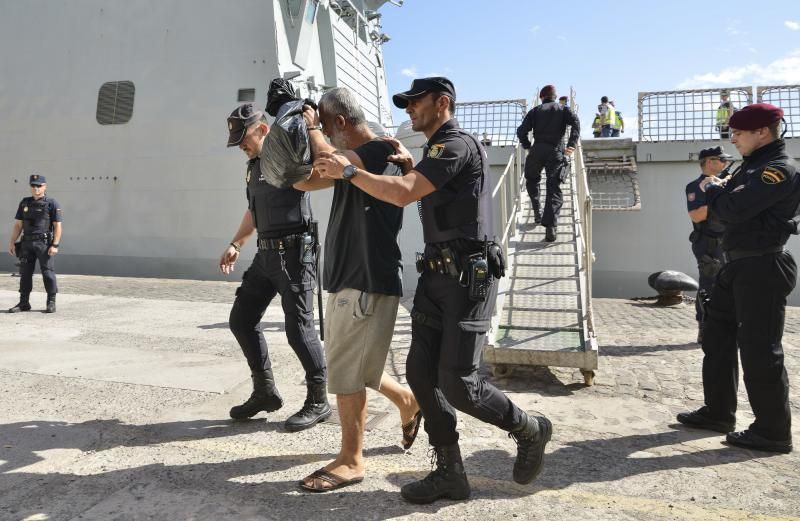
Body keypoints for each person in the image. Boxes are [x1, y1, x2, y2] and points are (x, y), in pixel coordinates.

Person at [313, 77, 552, 504]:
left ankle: (529, 428)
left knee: (460, 384)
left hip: (466, 280)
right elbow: (428, 196)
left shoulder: (455, 145)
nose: (409, 109)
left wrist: (351, 170)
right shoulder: (430, 153)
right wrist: (408, 167)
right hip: (436, 277)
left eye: (415, 102)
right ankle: (449, 474)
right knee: (422, 376)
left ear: (442, 103)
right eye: (404, 103)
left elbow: (405, 196)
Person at [294, 88, 421, 492]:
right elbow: (304, 183)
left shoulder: (380, 150)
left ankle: (351, 459)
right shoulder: (357, 160)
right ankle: (406, 400)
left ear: (341, 124)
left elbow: (328, 161)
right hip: (351, 277)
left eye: (329, 128)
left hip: (364, 279)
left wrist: (312, 128)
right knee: (357, 366)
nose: (326, 137)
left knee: (346, 374)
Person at [678, 103, 798, 454]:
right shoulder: (753, 166)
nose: (733, 140)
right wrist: (723, 195)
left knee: (761, 349)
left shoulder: (776, 170)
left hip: (763, 265)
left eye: (738, 133)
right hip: (736, 264)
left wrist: (716, 192)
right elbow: (725, 207)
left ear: (762, 132)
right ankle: (718, 412)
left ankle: (773, 432)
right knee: (716, 338)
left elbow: (729, 208)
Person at [220, 103, 330, 432]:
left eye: (244, 138)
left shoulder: (289, 155)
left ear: (263, 130)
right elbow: (254, 210)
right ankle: (265, 391)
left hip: (295, 253)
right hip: (266, 254)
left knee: (299, 329)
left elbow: (324, 176)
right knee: (241, 319)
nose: (241, 145)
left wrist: (313, 131)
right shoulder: (253, 166)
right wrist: (236, 243)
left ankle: (318, 399)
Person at [516, 84, 580, 242]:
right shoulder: (563, 109)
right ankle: (550, 229)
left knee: (532, 180)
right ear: (555, 96)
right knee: (553, 188)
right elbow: (576, 123)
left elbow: (521, 131)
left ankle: (537, 213)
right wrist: (571, 144)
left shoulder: (535, 111)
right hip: (555, 151)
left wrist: (527, 146)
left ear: (541, 98)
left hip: (537, 150)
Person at [685, 146, 731, 343]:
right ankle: (704, 326)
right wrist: (715, 193)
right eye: (722, 160)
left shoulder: (727, 181)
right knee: (709, 285)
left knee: (732, 284)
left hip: (729, 241)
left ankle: (727, 326)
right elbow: (696, 214)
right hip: (708, 243)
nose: (726, 163)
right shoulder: (695, 186)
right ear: (710, 162)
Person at [7, 174, 62, 313]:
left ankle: (51, 301)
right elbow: (18, 225)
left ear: (45, 186)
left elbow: (57, 226)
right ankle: (24, 303)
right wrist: (12, 242)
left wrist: (55, 245)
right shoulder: (24, 202)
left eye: (39, 185)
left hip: (44, 244)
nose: (36, 188)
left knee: (48, 273)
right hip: (26, 244)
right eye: (33, 185)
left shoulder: (52, 203)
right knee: (25, 274)